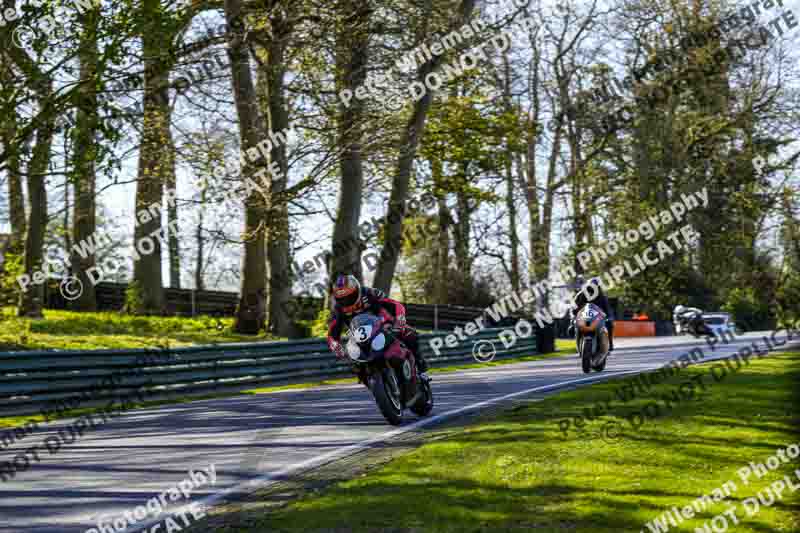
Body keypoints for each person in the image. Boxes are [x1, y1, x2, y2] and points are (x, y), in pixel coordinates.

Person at [326, 274, 430, 379]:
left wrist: (399, 319)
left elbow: (395, 305)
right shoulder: (338, 309)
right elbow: (332, 333)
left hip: (384, 326)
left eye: (350, 297)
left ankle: (422, 370)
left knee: (409, 334)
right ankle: (368, 378)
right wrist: (335, 345)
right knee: (354, 364)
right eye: (342, 299)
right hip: (360, 338)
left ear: (357, 290)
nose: (346, 301)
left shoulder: (370, 293)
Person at [567, 275, 614, 351]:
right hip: (583, 317)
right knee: (571, 327)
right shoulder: (581, 295)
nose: (592, 289)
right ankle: (577, 342)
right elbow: (574, 307)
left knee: (610, 324)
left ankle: (610, 343)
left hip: (598, 318)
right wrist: (573, 317)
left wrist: (609, 317)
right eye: (591, 287)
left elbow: (607, 309)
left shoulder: (602, 296)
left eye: (595, 287)